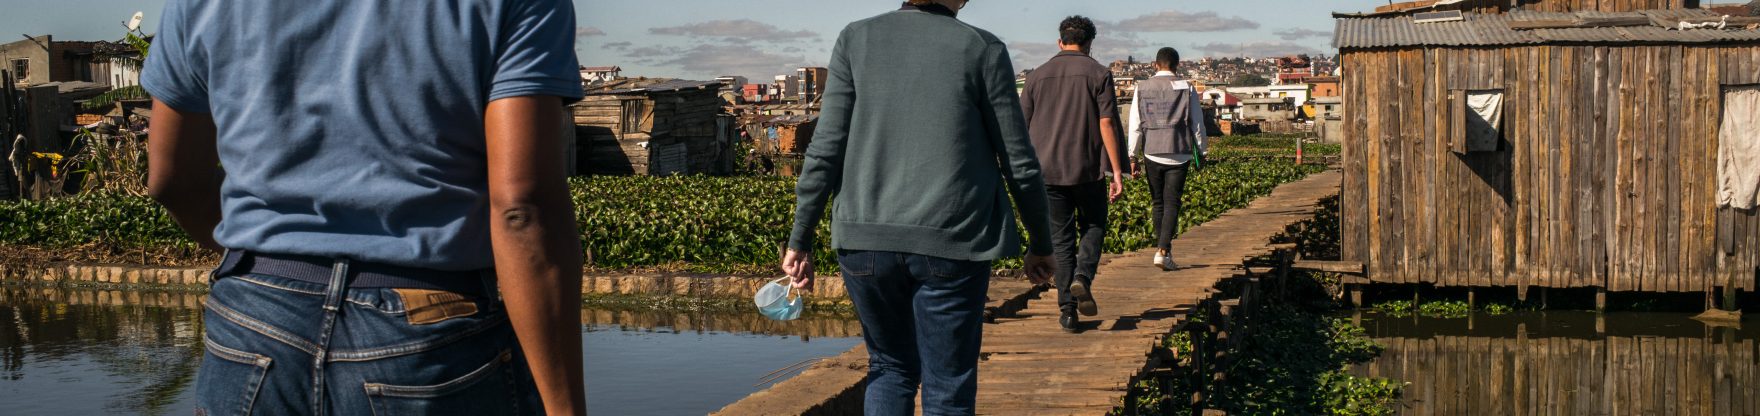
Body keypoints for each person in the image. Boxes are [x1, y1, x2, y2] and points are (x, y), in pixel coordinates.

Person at [141, 0, 587, 414]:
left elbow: (171, 180)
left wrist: (268, 265)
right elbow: (522, 209)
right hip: (427, 333)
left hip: (253, 321)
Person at [781, 0, 1057, 414]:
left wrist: (800, 238)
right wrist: (1040, 242)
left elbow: (825, 149)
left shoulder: (856, 38)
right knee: (947, 386)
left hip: (864, 242)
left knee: (890, 368)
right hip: (952, 241)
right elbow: (1018, 161)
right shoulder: (982, 48)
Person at [1021, 15, 1125, 333]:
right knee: (1093, 225)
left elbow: (1020, 129)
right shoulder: (1099, 73)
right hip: (1087, 168)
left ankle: (1067, 311)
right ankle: (1083, 276)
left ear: (1060, 41)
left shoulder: (1036, 77)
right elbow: (1107, 123)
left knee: (1060, 240)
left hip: (1046, 171)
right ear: (1090, 44)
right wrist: (1117, 170)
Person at [1128, 47, 1209, 272]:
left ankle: (1163, 250)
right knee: (1172, 202)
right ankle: (1163, 251)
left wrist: (1132, 156)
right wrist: (1202, 152)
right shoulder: (1187, 88)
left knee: (1157, 203)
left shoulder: (1141, 87)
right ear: (1177, 65)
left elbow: (1135, 125)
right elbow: (1197, 124)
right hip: (1179, 151)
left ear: (1156, 65)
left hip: (1152, 151)